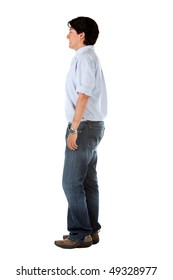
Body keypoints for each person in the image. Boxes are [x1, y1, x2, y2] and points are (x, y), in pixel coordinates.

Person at [54, 16, 107, 249]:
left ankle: (80, 233)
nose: (68, 35)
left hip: (83, 126)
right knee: (87, 182)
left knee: (71, 182)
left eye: (71, 31)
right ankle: (91, 230)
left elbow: (83, 95)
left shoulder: (85, 58)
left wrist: (74, 128)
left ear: (82, 35)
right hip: (92, 125)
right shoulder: (87, 57)